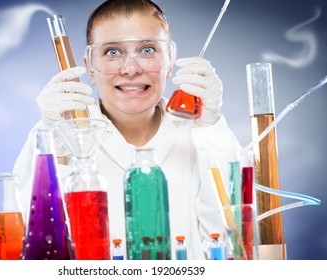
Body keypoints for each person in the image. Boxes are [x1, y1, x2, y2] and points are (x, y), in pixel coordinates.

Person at [13, 0, 242, 259]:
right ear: (89, 65)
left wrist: (211, 127)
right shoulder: (61, 134)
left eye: (147, 49)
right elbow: (28, 247)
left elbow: (236, 242)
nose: (131, 69)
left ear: (170, 60)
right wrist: (51, 138)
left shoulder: (201, 137)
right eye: (112, 52)